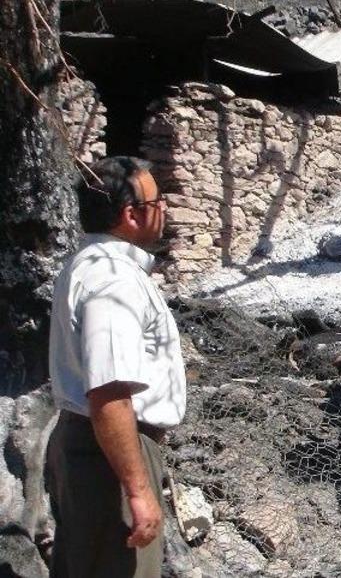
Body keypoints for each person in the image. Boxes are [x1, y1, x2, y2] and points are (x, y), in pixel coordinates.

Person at [46, 156, 187, 578]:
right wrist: (138, 490)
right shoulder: (114, 280)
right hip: (108, 454)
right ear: (131, 214)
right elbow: (109, 392)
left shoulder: (90, 264)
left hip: (93, 446)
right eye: (159, 201)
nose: (165, 209)